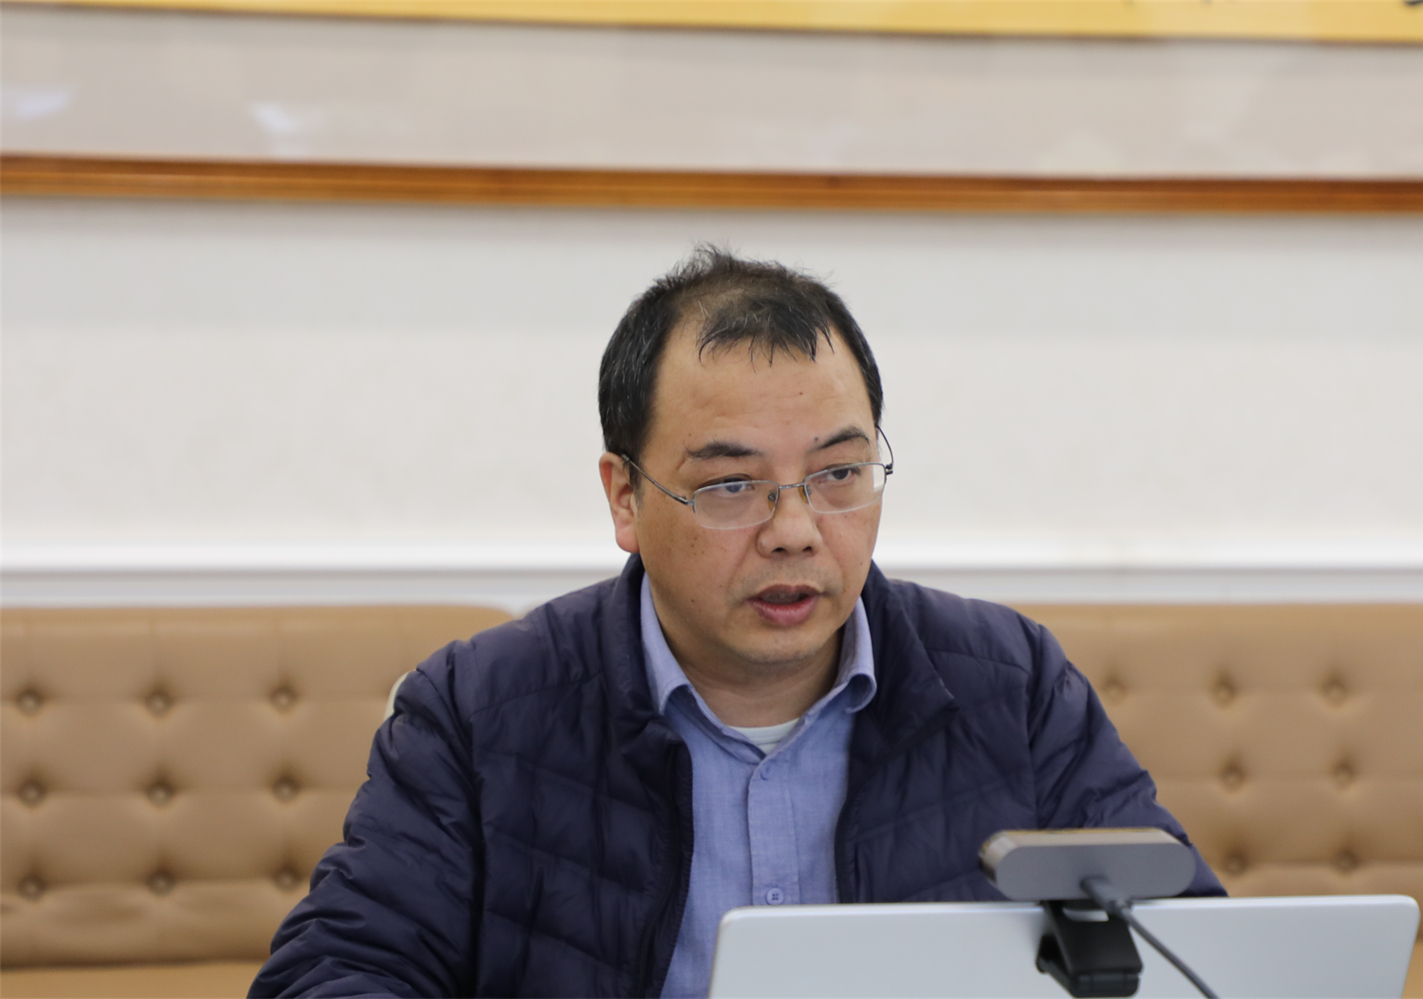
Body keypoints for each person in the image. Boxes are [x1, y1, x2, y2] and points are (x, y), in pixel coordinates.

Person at [251, 247, 1223, 999]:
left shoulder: (1010, 683)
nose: (795, 529)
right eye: (730, 485)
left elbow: (1194, 953)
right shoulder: (478, 709)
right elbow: (333, 973)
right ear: (625, 496)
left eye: (839, 473)